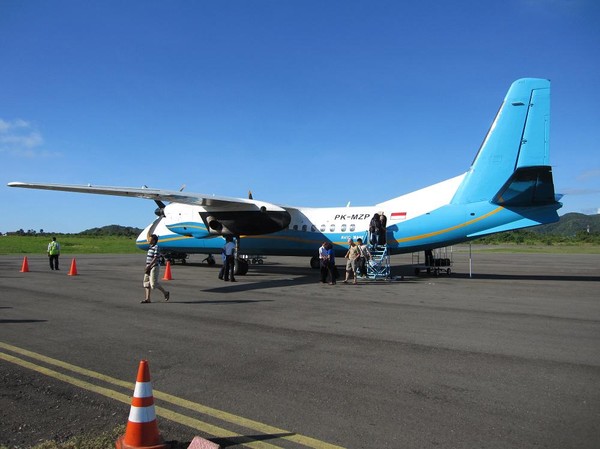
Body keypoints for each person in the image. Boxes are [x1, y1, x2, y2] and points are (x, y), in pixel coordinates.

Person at [141, 234, 170, 303]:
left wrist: (149, 266)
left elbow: (155, 257)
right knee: (146, 283)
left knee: (153, 284)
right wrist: (147, 266)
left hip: (154, 266)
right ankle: (148, 299)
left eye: (150, 239)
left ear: (153, 241)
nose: (148, 240)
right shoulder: (150, 247)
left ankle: (165, 293)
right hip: (148, 267)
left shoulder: (156, 247)